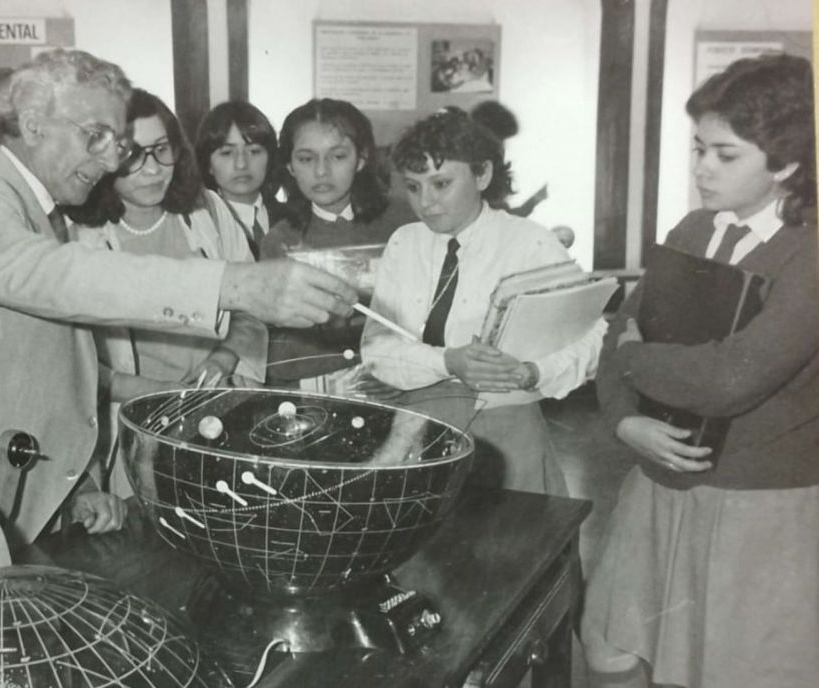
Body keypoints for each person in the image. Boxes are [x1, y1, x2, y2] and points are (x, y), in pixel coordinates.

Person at [0, 49, 357, 547]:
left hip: (5, 489)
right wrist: (234, 285)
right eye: (95, 136)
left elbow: (40, 368)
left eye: (116, 142)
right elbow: (55, 277)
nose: (113, 160)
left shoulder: (39, 210)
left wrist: (78, 486)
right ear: (33, 125)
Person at [577, 54, 818, 688]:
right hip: (658, 476)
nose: (702, 169)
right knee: (608, 647)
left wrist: (638, 356)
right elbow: (613, 340)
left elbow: (731, 378)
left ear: (787, 164)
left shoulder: (809, 253)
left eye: (725, 154)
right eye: (697, 148)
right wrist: (625, 425)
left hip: (758, 503)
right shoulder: (692, 229)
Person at [362, 106, 603, 495]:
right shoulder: (404, 243)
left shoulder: (531, 242)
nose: (426, 202)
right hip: (418, 427)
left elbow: (592, 338)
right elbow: (376, 348)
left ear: (483, 174)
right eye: (413, 186)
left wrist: (534, 372)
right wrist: (447, 361)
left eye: (441, 184)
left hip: (508, 430)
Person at [69, 89, 265, 497]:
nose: (153, 169)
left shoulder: (208, 212)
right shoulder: (78, 239)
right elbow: (70, 364)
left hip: (215, 418)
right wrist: (152, 393)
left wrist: (224, 358)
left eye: (161, 150)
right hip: (130, 425)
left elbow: (254, 305)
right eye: (131, 155)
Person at [261, 98, 416, 394]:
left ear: (361, 158)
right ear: (290, 166)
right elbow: (281, 355)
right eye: (306, 159)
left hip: (402, 384)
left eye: (338, 156)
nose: (322, 171)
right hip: (315, 394)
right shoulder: (279, 241)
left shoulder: (404, 224)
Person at [194, 100, 285, 259]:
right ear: (208, 164)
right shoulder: (200, 225)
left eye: (254, 151)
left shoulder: (293, 219)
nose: (241, 164)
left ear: (270, 158)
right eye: (227, 153)